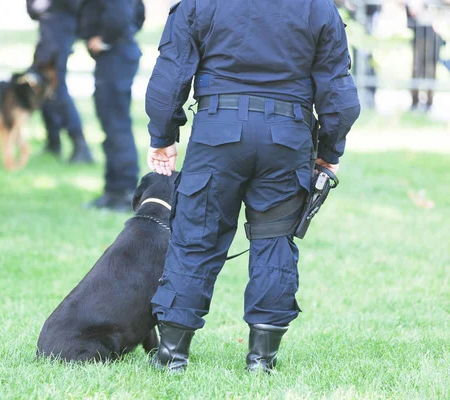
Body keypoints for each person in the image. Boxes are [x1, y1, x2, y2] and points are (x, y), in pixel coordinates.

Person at [146, 0, 360, 373]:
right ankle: (262, 360)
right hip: (286, 139)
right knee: (274, 241)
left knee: (196, 237)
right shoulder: (317, 7)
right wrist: (329, 151)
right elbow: (338, 91)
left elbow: (171, 73)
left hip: (217, 134)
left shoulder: (198, 3)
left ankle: (172, 357)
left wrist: (163, 135)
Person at [79, 0, 146, 211]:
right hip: (116, 54)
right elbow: (138, 15)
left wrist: (106, 39)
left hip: (116, 54)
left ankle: (124, 193)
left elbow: (121, 15)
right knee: (112, 124)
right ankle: (113, 190)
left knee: (117, 125)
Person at [27, 0, 94, 163]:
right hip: (50, 28)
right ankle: (53, 142)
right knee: (42, 86)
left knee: (56, 88)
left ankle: (80, 145)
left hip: (61, 28)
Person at [406, 0, 446, 111]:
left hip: (433, 35)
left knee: (430, 70)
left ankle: (428, 102)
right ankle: (415, 102)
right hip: (419, 33)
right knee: (417, 69)